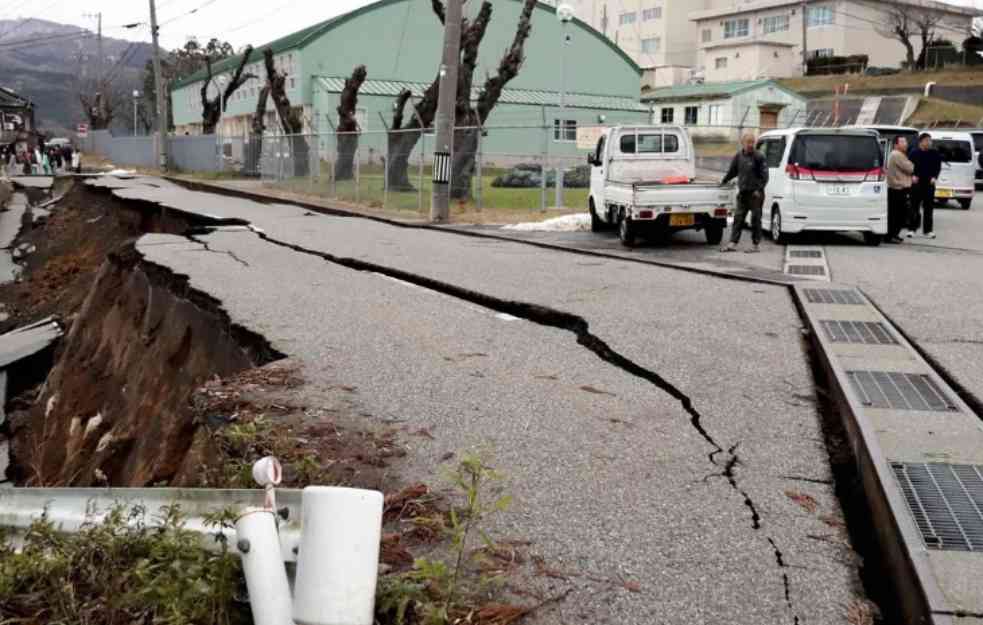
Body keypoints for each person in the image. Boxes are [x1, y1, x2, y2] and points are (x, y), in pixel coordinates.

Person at [720, 131, 769, 253]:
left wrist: (759, 189)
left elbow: (765, 176)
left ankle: (755, 245)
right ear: (743, 143)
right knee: (738, 218)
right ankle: (733, 243)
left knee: (755, 219)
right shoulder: (738, 156)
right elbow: (732, 171)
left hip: (755, 194)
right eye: (748, 142)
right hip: (743, 193)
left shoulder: (759, 157)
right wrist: (724, 181)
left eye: (753, 142)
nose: (751, 144)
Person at [908, 133, 942, 240]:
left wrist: (934, 177)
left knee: (929, 208)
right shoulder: (914, 153)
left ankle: (928, 230)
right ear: (921, 142)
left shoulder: (934, 153)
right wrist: (912, 176)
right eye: (927, 140)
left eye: (930, 140)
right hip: (916, 183)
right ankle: (912, 229)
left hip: (929, 183)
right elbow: (909, 166)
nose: (929, 142)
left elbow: (938, 166)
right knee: (914, 207)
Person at [885, 135, 914, 244]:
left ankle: (893, 235)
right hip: (898, 189)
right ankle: (891, 235)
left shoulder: (898, 154)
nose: (905, 144)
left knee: (897, 214)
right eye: (902, 142)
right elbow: (911, 168)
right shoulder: (897, 155)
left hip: (897, 189)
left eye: (905, 141)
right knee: (897, 214)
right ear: (896, 145)